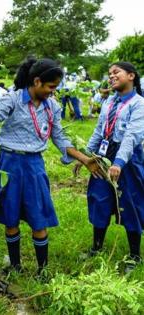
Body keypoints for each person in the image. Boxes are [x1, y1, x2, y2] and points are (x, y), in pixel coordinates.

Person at [0, 57, 102, 275]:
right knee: (10, 217)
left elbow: (58, 137)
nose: (53, 91)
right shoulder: (12, 100)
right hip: (8, 163)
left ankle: (43, 270)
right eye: (50, 87)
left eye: (56, 87)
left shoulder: (52, 106)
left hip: (34, 165)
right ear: (36, 81)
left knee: (38, 218)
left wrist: (84, 159)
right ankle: (15, 265)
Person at [83, 62, 144, 273]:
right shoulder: (109, 101)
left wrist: (118, 163)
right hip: (103, 155)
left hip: (128, 159)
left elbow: (132, 136)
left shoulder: (138, 104)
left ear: (131, 76)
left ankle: (135, 255)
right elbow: (99, 131)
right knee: (99, 199)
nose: (111, 76)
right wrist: (86, 157)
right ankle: (96, 248)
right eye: (109, 73)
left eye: (116, 72)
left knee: (130, 202)